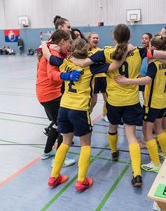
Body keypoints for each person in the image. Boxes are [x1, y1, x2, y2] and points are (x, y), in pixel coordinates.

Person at [59, 24, 166, 187]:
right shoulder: (139, 51)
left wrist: (69, 58)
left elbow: (84, 63)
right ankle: (136, 175)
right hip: (132, 100)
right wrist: (157, 55)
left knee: (112, 127)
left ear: (113, 36)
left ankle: (114, 152)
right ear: (129, 37)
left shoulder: (106, 52)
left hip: (114, 101)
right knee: (131, 137)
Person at [47, 39, 128, 191]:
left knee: (65, 142)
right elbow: (114, 66)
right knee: (86, 144)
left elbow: (48, 56)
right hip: (79, 109)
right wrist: (124, 53)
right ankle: (81, 180)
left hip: (64, 107)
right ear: (87, 50)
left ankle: (53, 177)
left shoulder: (64, 62)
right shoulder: (91, 67)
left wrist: (46, 45)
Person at [115, 34, 166, 172]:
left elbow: (147, 80)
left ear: (152, 47)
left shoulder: (153, 64)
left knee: (147, 131)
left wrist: (128, 81)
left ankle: (156, 163)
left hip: (152, 102)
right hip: (164, 100)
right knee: (159, 128)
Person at [36, 29, 79, 168]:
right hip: (50, 95)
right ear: (62, 41)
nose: (70, 45)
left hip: (46, 93)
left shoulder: (53, 50)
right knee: (64, 125)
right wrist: (68, 76)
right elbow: (52, 75)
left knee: (57, 123)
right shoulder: (53, 53)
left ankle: (47, 152)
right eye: (69, 42)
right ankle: (60, 159)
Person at [87, 33, 108, 121]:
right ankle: (87, 116)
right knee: (93, 101)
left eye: (97, 38)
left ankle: (105, 114)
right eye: (93, 38)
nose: (96, 39)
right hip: (93, 78)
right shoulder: (86, 51)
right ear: (89, 39)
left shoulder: (101, 50)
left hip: (103, 77)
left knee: (107, 99)